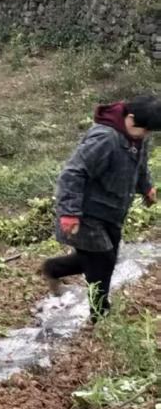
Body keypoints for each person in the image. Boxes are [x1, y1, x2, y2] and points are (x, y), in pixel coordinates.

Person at [43, 96, 161, 320]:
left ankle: (53, 268)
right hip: (86, 213)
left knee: (105, 257)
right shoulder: (105, 138)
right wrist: (69, 213)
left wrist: (146, 187)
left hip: (112, 211)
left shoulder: (135, 136)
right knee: (102, 262)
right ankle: (99, 314)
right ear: (130, 117)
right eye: (143, 129)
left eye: (149, 132)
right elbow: (73, 173)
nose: (145, 134)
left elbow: (140, 165)